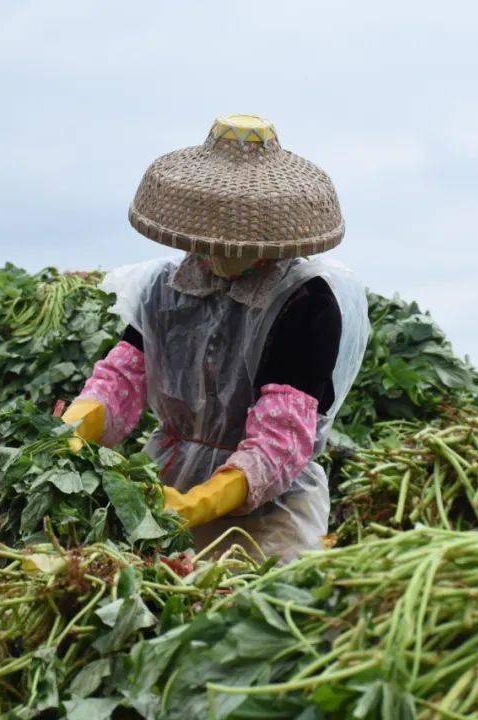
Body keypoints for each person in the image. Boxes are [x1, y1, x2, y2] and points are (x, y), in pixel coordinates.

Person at [62, 114, 368, 561]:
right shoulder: (164, 290)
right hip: (168, 486)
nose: (216, 250)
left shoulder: (305, 302)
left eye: (234, 240)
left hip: (270, 509)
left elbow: (281, 435)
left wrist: (204, 501)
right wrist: (77, 427)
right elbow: (123, 377)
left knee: (256, 612)